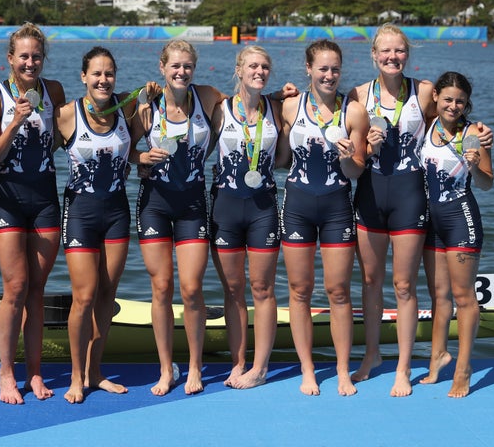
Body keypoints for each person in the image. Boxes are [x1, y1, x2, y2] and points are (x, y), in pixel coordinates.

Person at [348, 24, 494, 396]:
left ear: (407, 55)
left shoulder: (425, 91)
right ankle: (372, 355)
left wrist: (479, 135)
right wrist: (276, 94)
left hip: (411, 197)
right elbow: (333, 116)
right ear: (374, 55)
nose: (392, 57)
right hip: (370, 193)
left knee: (403, 284)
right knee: (369, 282)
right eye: (385, 51)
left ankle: (403, 368)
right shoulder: (358, 94)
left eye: (399, 51)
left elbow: (452, 115)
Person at [131, 40, 225, 396]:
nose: (181, 72)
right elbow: (124, 148)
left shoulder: (207, 96)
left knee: (191, 289)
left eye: (187, 66)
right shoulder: (147, 104)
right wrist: (140, 160)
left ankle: (196, 367)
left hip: (191, 206)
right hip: (154, 203)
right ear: (162, 67)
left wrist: (281, 94)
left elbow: (246, 103)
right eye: (175, 66)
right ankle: (166, 368)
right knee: (161, 288)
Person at [0, 23, 66, 404]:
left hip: (45, 198)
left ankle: (34, 372)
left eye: (36, 56)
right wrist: (14, 121)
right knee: (14, 287)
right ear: (10, 59)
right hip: (9, 200)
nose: (31, 62)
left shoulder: (55, 90)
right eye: (24, 56)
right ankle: (5, 374)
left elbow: (67, 138)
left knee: (37, 289)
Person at [55, 46, 145, 403]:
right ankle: (76, 376)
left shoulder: (126, 108)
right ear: (83, 77)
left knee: (108, 295)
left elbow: (173, 93)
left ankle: (96, 371)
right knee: (84, 296)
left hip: (116, 212)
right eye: (96, 73)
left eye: (109, 74)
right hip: (80, 213)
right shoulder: (65, 115)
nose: (103, 79)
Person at [278, 39, 368, 396]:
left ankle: (343, 371)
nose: (329, 75)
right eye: (322, 69)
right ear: (308, 70)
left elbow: (357, 171)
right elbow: (281, 157)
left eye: (334, 69)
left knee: (338, 291)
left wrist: (347, 157)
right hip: (298, 204)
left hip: (336, 206)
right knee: (300, 290)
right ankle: (308, 370)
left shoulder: (354, 112)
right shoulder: (289, 107)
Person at [208, 46, 295, 389]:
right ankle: (238, 362)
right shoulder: (218, 110)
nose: (259, 71)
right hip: (225, 207)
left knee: (263, 288)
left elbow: (284, 160)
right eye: (253, 66)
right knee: (233, 289)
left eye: (264, 67)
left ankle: (259, 368)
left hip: (263, 208)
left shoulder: (277, 109)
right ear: (239, 70)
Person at [419, 72, 493, 397]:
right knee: (438, 295)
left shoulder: (474, 133)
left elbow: (488, 182)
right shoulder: (425, 124)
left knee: (464, 297)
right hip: (430, 221)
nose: (453, 105)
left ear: (466, 103)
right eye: (448, 99)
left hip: (461, 218)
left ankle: (463, 367)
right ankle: (438, 356)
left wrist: (475, 166)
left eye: (460, 101)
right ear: (436, 96)